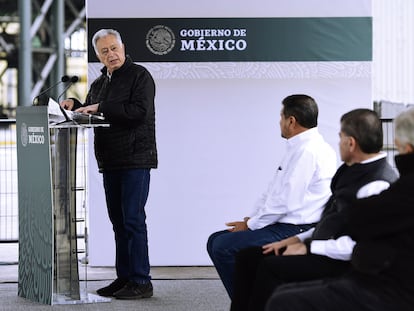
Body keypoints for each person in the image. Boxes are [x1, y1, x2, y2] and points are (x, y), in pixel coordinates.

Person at [230, 108, 398, 311]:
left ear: (351, 143)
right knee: (248, 257)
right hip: (322, 247)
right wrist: (297, 240)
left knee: (269, 267)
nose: (338, 143)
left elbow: (360, 247)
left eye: (340, 137)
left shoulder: (377, 185)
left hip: (341, 261)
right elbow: (333, 219)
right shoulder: (350, 169)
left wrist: (308, 248)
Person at [207, 94, 337, 298]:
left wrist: (251, 225)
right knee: (216, 240)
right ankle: (250, 300)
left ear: (291, 121)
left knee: (222, 246)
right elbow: (272, 192)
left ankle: (248, 304)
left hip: (296, 228)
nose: (280, 122)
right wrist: (252, 219)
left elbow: (285, 202)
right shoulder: (301, 148)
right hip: (284, 223)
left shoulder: (308, 152)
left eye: (281, 117)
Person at [60, 29, 157, 300]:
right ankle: (124, 277)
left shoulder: (140, 76)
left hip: (136, 158)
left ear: (123, 47)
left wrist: (99, 107)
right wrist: (75, 105)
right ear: (98, 55)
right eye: (104, 51)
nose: (111, 54)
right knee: (119, 222)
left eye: (114, 48)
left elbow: (139, 112)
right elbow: (92, 109)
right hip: (111, 160)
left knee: (134, 220)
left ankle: (141, 281)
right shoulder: (101, 82)